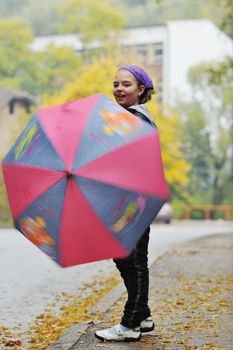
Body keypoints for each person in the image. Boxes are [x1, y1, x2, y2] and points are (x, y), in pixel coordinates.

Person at [95, 65, 156, 342]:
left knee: (131, 260)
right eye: (116, 83)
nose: (119, 88)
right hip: (130, 199)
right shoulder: (127, 117)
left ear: (140, 90)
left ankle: (130, 324)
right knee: (128, 257)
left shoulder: (135, 119)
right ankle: (142, 316)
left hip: (133, 201)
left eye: (126, 85)